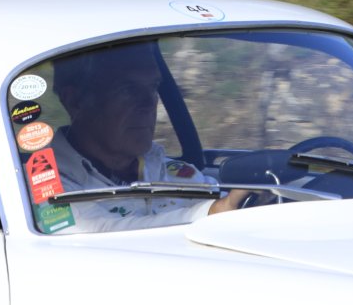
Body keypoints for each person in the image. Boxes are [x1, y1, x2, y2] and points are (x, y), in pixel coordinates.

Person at [47, 42, 246, 228]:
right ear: (75, 101)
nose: (148, 104)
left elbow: (228, 205)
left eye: (153, 87)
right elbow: (92, 232)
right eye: (128, 89)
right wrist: (211, 212)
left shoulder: (168, 170)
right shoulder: (43, 181)